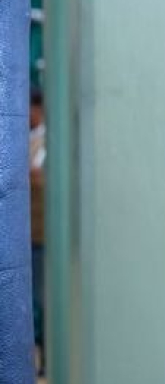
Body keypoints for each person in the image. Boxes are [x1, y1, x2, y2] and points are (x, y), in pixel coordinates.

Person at [29, 88, 45, 376]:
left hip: (43, 237)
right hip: (26, 237)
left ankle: (46, 360)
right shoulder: (24, 139)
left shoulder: (49, 141)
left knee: (42, 302)